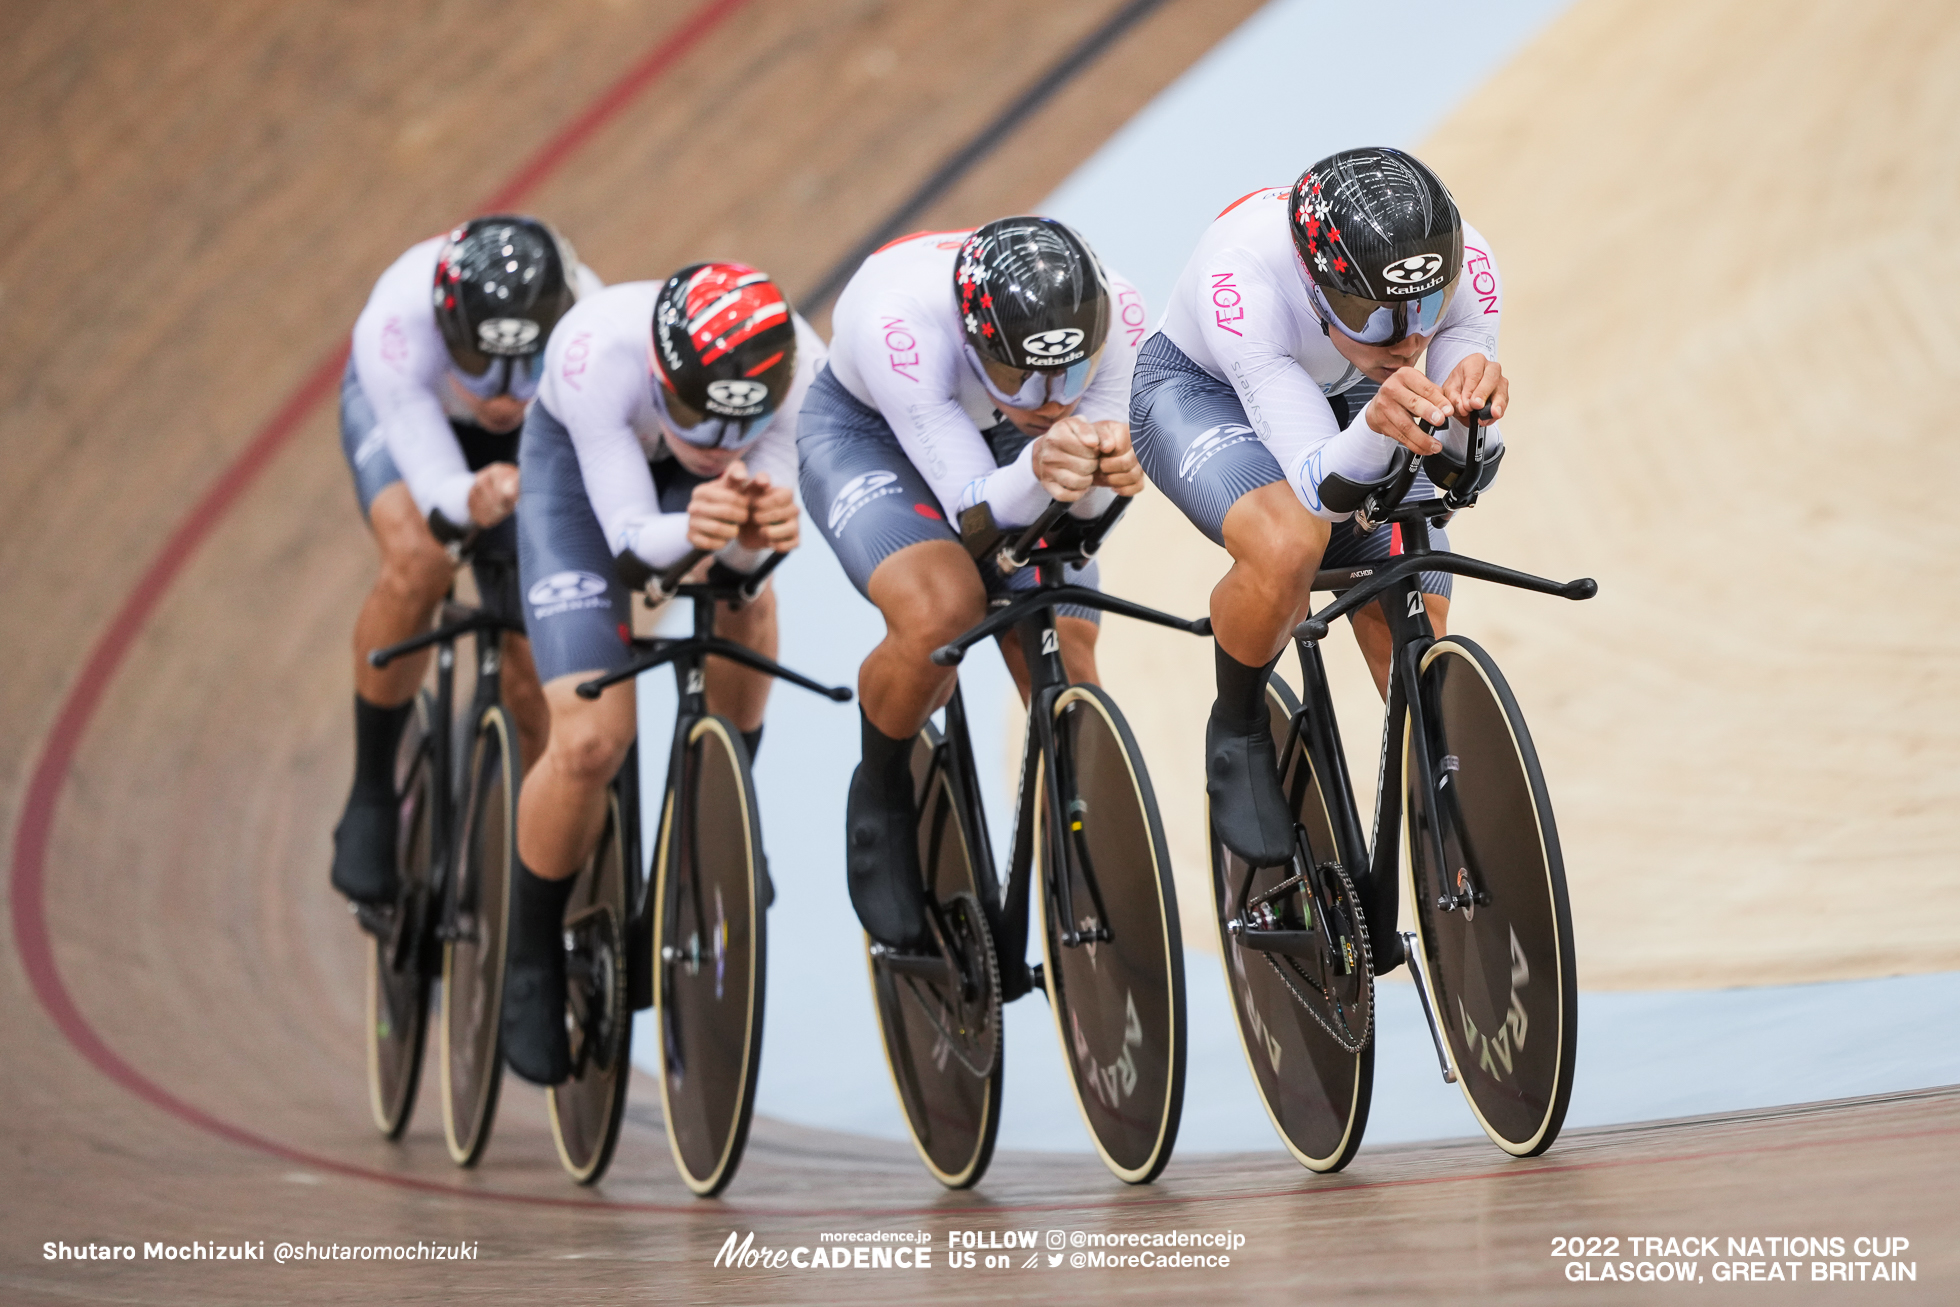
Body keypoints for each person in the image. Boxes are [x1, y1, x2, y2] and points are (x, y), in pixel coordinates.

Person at [1129, 146, 1509, 919]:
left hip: (1345, 404)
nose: (1407, 341)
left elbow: (1458, 479)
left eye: (1424, 313)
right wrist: (1378, 425)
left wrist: (1479, 431)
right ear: (1317, 286)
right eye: (1373, 316)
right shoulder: (1244, 278)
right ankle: (1237, 725)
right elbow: (1321, 489)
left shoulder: (1467, 259)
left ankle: (1446, 850)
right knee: (1288, 545)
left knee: (1418, 626)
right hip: (1205, 394)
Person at [506, 261, 821, 1083]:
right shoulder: (596, 355)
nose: (713, 446)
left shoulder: (801, 373)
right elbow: (630, 544)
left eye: (735, 427)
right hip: (585, 489)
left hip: (683, 501)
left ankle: (722, 809)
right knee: (588, 741)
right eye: (692, 415)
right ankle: (528, 950)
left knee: (746, 596)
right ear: (659, 374)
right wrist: (696, 524)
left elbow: (756, 538)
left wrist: (755, 528)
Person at [798, 217, 1147, 953]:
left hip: (1004, 443)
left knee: (1066, 645)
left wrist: (1111, 473)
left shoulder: (1117, 314)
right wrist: (1049, 458)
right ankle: (884, 793)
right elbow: (978, 515)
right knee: (943, 611)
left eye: (1071, 374)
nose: (1052, 400)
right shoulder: (901, 327)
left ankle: (1084, 884)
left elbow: (1083, 499)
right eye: (1023, 375)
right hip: (876, 437)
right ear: (975, 342)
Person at [332, 215, 595, 906]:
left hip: (531, 445)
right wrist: (470, 498)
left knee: (538, 645)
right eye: (480, 366)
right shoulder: (396, 327)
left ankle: (532, 856)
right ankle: (371, 792)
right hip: (417, 420)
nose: (504, 394)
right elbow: (441, 495)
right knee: (421, 558)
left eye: (528, 364)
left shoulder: (589, 328)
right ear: (447, 334)